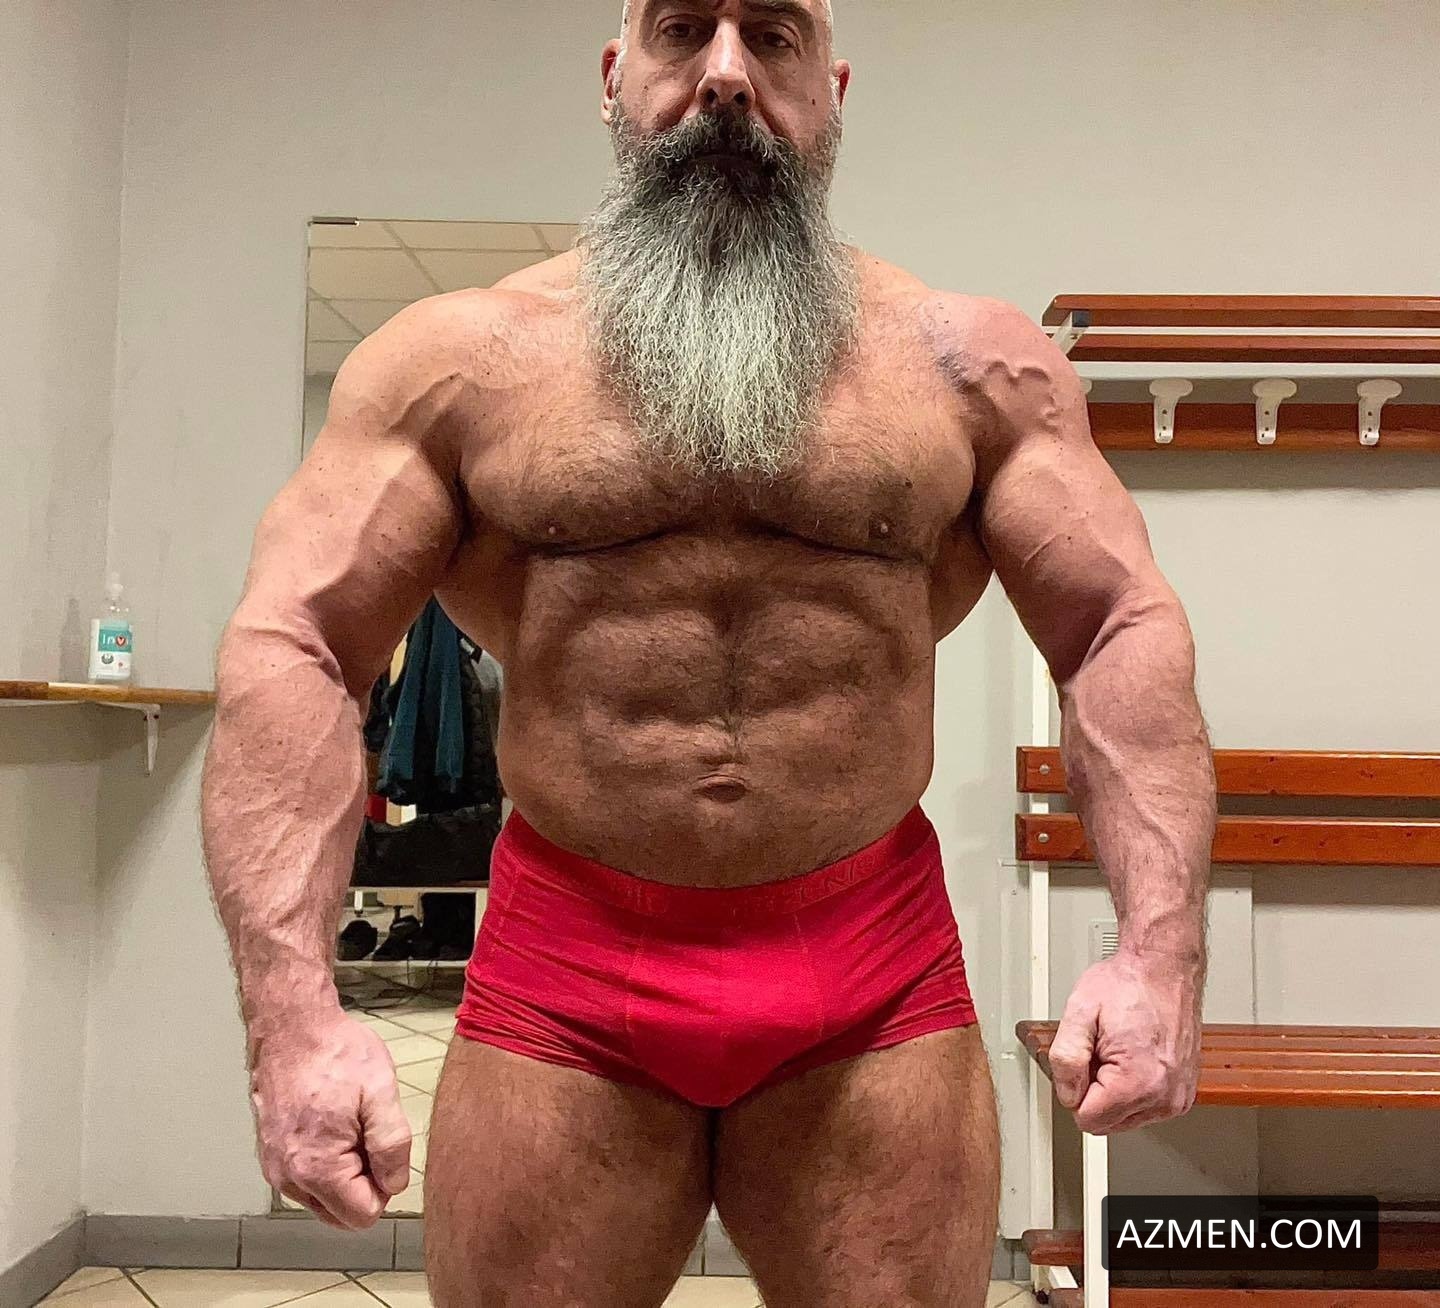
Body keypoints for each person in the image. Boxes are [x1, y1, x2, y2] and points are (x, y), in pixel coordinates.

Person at [201, 2, 1218, 1304]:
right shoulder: (464, 361)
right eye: (684, 28)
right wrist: (291, 1019)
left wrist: (1160, 954)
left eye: (774, 35)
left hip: (868, 963)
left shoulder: (965, 363)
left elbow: (1118, 622)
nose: (728, 73)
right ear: (615, 75)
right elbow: (296, 641)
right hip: (569, 964)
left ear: (833, 87)